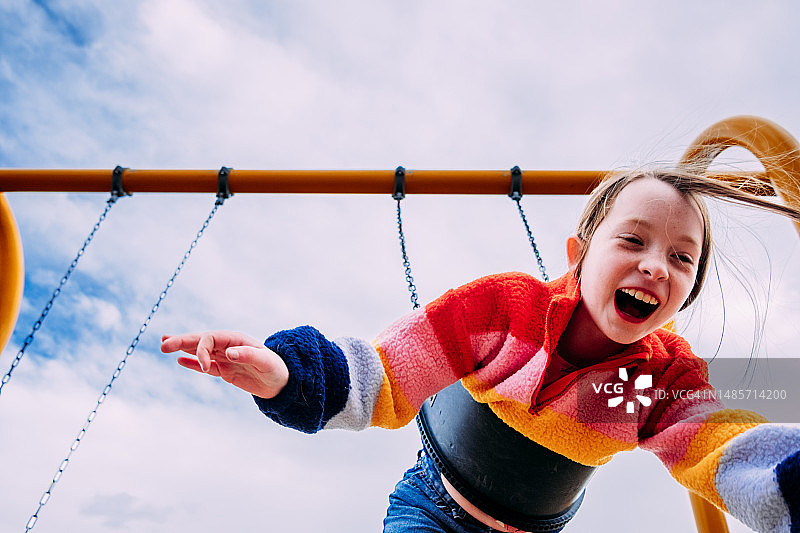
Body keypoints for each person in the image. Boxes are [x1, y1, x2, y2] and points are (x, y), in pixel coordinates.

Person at [161, 169, 800, 533]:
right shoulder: (505, 313)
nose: (656, 266)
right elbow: (385, 374)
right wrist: (287, 377)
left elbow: (718, 444)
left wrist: (788, 485)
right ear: (579, 253)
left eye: (681, 259)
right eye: (632, 241)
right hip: (435, 508)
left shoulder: (658, 380)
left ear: (687, 290)